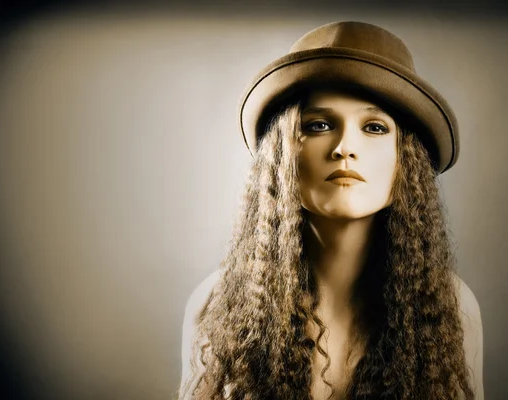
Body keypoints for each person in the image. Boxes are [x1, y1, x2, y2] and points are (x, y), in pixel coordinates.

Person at [178, 21, 483, 400]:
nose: (344, 147)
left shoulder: (452, 309)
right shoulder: (214, 306)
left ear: (406, 160)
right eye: (319, 125)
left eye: (374, 127)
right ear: (282, 155)